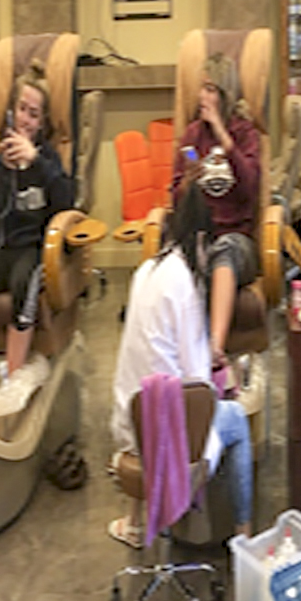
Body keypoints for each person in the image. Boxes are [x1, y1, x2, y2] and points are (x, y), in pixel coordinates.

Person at [109, 182, 253, 549]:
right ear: (203, 238)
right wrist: (217, 361)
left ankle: (134, 523)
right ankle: (244, 536)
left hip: (129, 430)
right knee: (236, 418)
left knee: (151, 383)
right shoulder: (185, 284)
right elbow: (197, 382)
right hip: (170, 440)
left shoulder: (146, 270)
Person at [0, 62, 73, 374]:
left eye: (34, 114)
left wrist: (35, 162)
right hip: (4, 248)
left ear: (42, 122)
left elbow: (66, 203)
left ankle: (14, 373)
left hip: (37, 249)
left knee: (24, 283)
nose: (25, 119)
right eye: (21, 109)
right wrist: (7, 173)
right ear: (11, 112)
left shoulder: (48, 159)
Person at [170, 52, 260, 377]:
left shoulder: (245, 133)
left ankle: (215, 350)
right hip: (199, 234)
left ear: (225, 94)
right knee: (182, 259)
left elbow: (250, 188)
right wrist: (189, 181)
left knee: (225, 249)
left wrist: (224, 136)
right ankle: (181, 354)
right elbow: (175, 197)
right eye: (201, 88)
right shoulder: (192, 135)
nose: (202, 97)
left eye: (210, 89)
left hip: (238, 239)